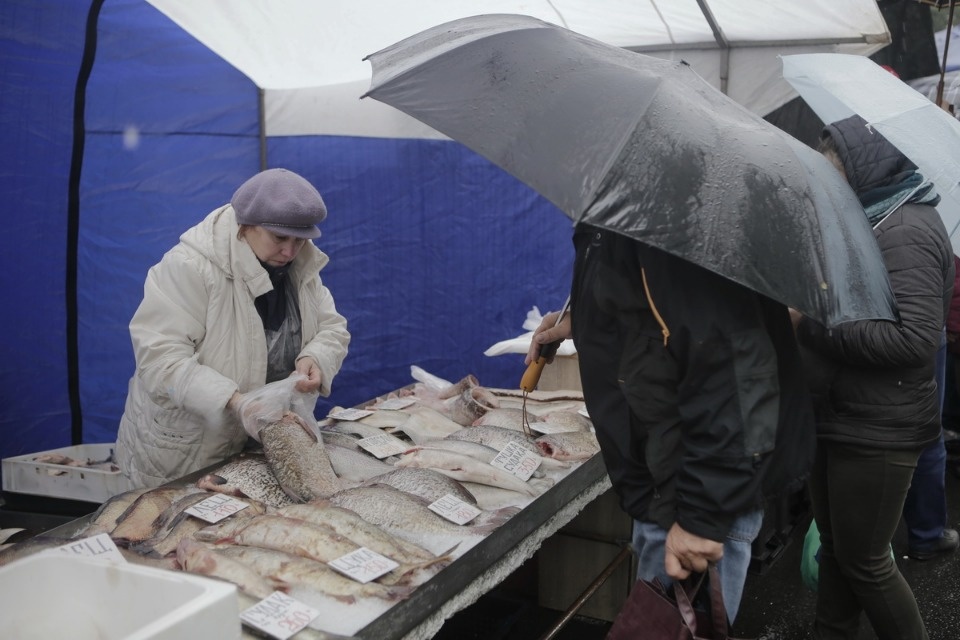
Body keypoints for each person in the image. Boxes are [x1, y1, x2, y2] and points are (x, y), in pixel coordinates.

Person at [526, 225, 816, 623]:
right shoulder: (620, 211)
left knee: (674, 626)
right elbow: (652, 305)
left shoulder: (686, 225)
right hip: (656, 469)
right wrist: (583, 319)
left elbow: (734, 377)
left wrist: (701, 515)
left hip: (693, 482)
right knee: (657, 620)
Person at [792, 114, 954, 640]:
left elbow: (913, 341)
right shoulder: (870, 218)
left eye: (830, 176)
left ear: (860, 172)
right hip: (843, 414)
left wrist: (812, 323)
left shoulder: (905, 229)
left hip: (879, 429)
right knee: (840, 550)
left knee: (867, 561)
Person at [115, 168, 351, 488]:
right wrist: (236, 402)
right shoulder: (188, 268)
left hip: (257, 450)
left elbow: (332, 328)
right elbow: (161, 360)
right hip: (183, 455)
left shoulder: (302, 266)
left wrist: (317, 357)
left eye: (300, 240)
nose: (289, 251)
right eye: (279, 238)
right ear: (244, 226)